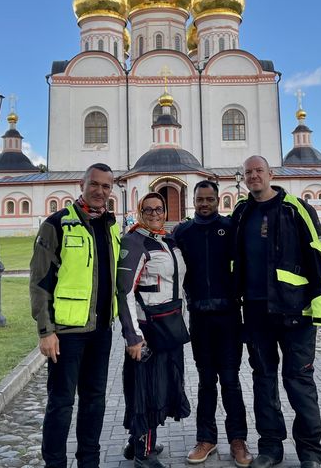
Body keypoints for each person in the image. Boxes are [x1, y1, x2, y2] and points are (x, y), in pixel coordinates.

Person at [231, 156, 321, 468]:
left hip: (295, 313)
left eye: (258, 171)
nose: (253, 176)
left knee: (299, 382)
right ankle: (271, 448)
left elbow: (319, 256)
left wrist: (320, 310)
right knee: (264, 381)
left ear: (271, 174)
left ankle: (310, 453)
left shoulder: (295, 208)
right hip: (257, 312)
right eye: (248, 172)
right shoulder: (241, 212)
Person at [29, 163, 121, 468]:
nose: (100, 191)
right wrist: (46, 331)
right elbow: (40, 281)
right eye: (94, 184)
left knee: (94, 402)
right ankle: (54, 463)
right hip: (67, 333)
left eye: (106, 186)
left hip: (100, 331)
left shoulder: (110, 226)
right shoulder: (57, 224)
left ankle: (89, 462)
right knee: (61, 403)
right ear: (82, 185)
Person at [173, 181, 252, 467]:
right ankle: (206, 438)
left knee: (230, 381)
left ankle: (238, 440)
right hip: (199, 318)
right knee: (206, 382)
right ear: (192, 200)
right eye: (200, 199)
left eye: (209, 199)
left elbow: (246, 263)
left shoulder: (230, 228)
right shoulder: (182, 232)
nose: (204, 204)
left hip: (229, 316)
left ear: (218, 200)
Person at [117, 192, 191, 468]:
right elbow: (124, 291)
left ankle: (137, 441)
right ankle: (143, 452)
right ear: (139, 211)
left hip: (170, 325)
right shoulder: (134, 241)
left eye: (159, 208)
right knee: (146, 388)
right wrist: (133, 335)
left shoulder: (168, 241)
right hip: (148, 328)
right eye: (147, 209)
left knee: (161, 386)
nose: (154, 213)